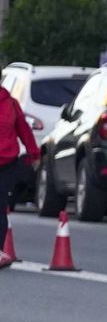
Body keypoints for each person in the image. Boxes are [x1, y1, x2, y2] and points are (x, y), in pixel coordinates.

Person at [0, 83, 37, 268]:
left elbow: (23, 129)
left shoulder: (11, 103)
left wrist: (34, 152)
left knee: (0, 205)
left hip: (6, 163)